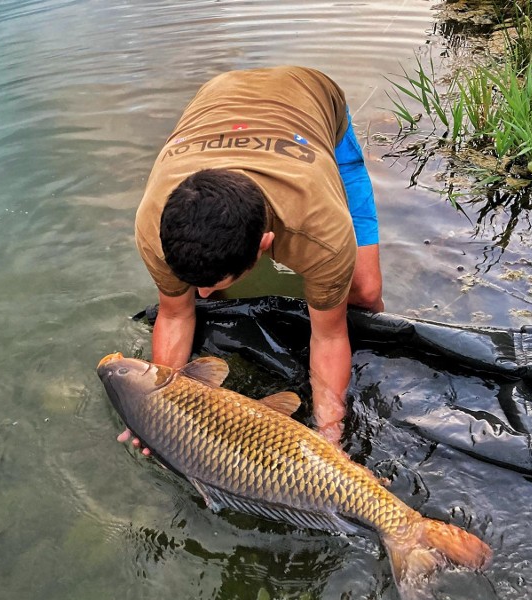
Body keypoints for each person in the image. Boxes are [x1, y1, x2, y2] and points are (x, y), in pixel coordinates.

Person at [120, 66, 383, 453]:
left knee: (364, 292)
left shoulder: (319, 227)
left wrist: (329, 440)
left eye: (213, 282)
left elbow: (329, 336)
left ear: (265, 245)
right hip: (219, 95)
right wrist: (162, 408)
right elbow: (174, 314)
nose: (203, 294)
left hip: (311, 98)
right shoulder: (153, 223)